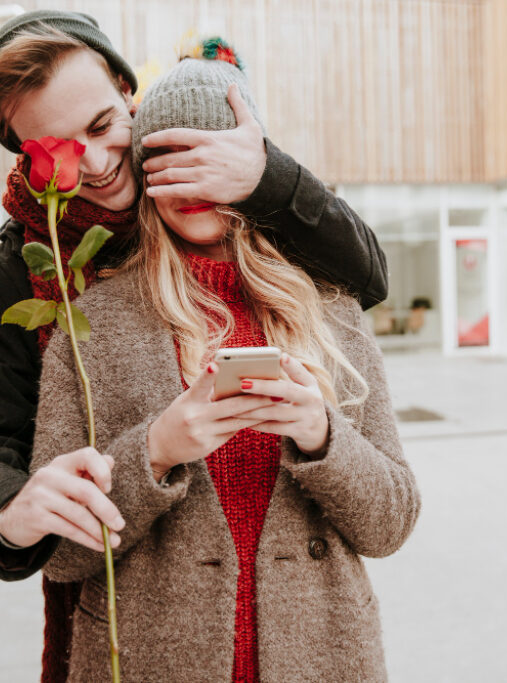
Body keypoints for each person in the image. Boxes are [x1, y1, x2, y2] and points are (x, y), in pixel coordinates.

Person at [0, 10, 388, 682]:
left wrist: (267, 179)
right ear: (25, 155)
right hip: (134, 622)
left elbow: (364, 274)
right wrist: (8, 506)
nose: (97, 163)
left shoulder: (214, 175)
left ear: (126, 91)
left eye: (102, 125)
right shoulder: (24, 267)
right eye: (56, 148)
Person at [30, 41, 419, 682]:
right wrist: (154, 450)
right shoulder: (93, 319)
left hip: (323, 659)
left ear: (248, 163)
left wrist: (322, 436)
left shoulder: (330, 304)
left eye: (209, 152)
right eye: (167, 156)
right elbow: (62, 555)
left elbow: (392, 523)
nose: (191, 177)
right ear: (144, 171)